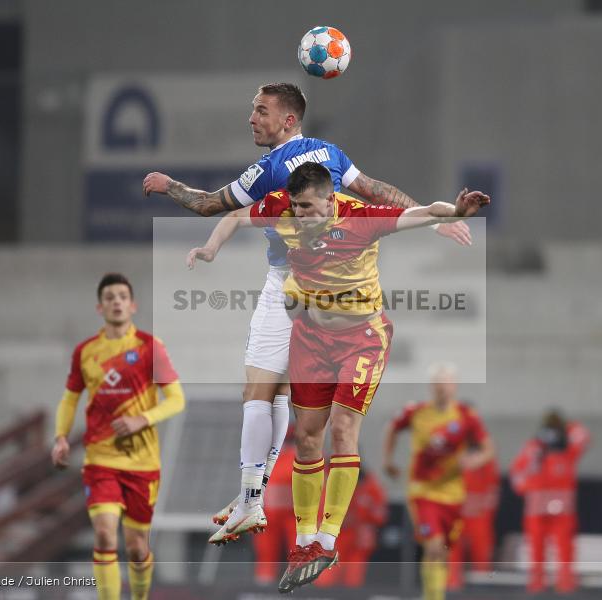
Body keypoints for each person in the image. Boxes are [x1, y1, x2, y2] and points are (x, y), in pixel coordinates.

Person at [143, 82, 471, 546]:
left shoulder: (268, 170)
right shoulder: (330, 154)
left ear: (287, 120)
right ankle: (261, 504)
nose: (252, 118)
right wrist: (435, 216)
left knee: (260, 392)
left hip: (291, 286)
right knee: (286, 401)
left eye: (260, 111)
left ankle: (252, 499)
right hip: (337, 290)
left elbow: (210, 205)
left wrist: (167, 185)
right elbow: (373, 188)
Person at [188, 162, 490, 592]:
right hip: (311, 337)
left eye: (310, 207)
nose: (302, 216)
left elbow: (422, 212)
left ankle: (327, 540)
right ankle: (306, 541)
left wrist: (455, 212)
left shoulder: (362, 218)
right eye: (296, 207)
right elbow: (236, 213)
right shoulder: (283, 209)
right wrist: (211, 247)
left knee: (344, 428)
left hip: (362, 338)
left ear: (331, 201)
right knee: (308, 437)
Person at [50, 273, 186, 600]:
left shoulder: (150, 348)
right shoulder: (85, 352)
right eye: (109, 297)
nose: (116, 301)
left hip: (143, 464)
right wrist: (61, 437)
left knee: (137, 549)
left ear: (133, 305)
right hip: (101, 461)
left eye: (122, 296)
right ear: (100, 307)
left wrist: (144, 419)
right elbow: (70, 398)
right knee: (104, 535)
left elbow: (177, 399)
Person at [383, 363, 496, 600]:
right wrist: (388, 460)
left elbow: (488, 449)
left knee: (442, 550)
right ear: (431, 386)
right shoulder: (417, 411)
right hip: (422, 491)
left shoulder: (466, 416)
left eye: (446, 383)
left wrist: (474, 461)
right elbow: (392, 428)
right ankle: (433, 597)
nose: (441, 388)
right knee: (433, 544)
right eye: (437, 383)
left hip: (453, 494)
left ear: (454, 386)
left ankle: (434, 592)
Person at [509, 409, 590, 594]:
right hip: (537, 507)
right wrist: (536, 457)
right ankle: (537, 581)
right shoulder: (533, 448)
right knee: (536, 546)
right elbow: (517, 475)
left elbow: (584, 435)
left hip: (562, 508)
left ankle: (566, 581)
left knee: (564, 546)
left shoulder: (568, 448)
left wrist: (563, 429)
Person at [313, 465, 388, 588]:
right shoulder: (328, 483)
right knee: (326, 581)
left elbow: (380, 516)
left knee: (353, 581)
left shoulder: (369, 486)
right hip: (334, 539)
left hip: (357, 541)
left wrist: (363, 515)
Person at [447, 449, 500, 589]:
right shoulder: (451, 459)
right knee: (452, 550)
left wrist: (487, 513)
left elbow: (493, 489)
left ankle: (483, 586)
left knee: (482, 552)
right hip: (457, 516)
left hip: (479, 515)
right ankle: (453, 583)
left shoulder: (487, 462)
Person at [252, 432, 297, 585]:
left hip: (293, 514)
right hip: (268, 513)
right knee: (266, 552)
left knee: (298, 549)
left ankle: (299, 581)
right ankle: (265, 582)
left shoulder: (294, 456)